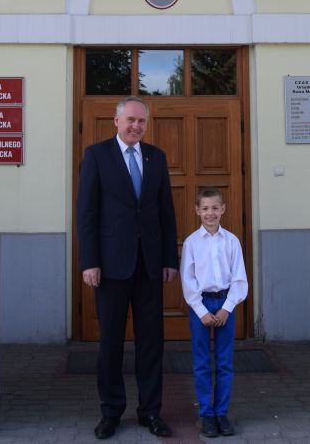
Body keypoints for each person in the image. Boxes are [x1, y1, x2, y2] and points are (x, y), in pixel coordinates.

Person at [77, 96, 179, 440]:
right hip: (110, 266)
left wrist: (169, 259)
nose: (136, 126)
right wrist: (89, 261)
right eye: (131, 120)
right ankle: (111, 412)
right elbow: (86, 213)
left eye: (141, 121)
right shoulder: (97, 155)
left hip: (149, 266)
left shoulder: (156, 157)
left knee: (151, 343)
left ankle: (151, 411)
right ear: (116, 121)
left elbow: (166, 212)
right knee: (111, 343)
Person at [180, 186, 248, 438]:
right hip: (201, 307)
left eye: (215, 208)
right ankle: (206, 414)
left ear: (223, 209)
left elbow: (239, 278)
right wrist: (200, 310)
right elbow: (188, 280)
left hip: (225, 304)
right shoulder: (191, 243)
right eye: (205, 208)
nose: (210, 213)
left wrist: (228, 308)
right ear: (197, 210)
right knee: (201, 362)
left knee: (224, 362)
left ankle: (222, 413)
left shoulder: (231, 241)